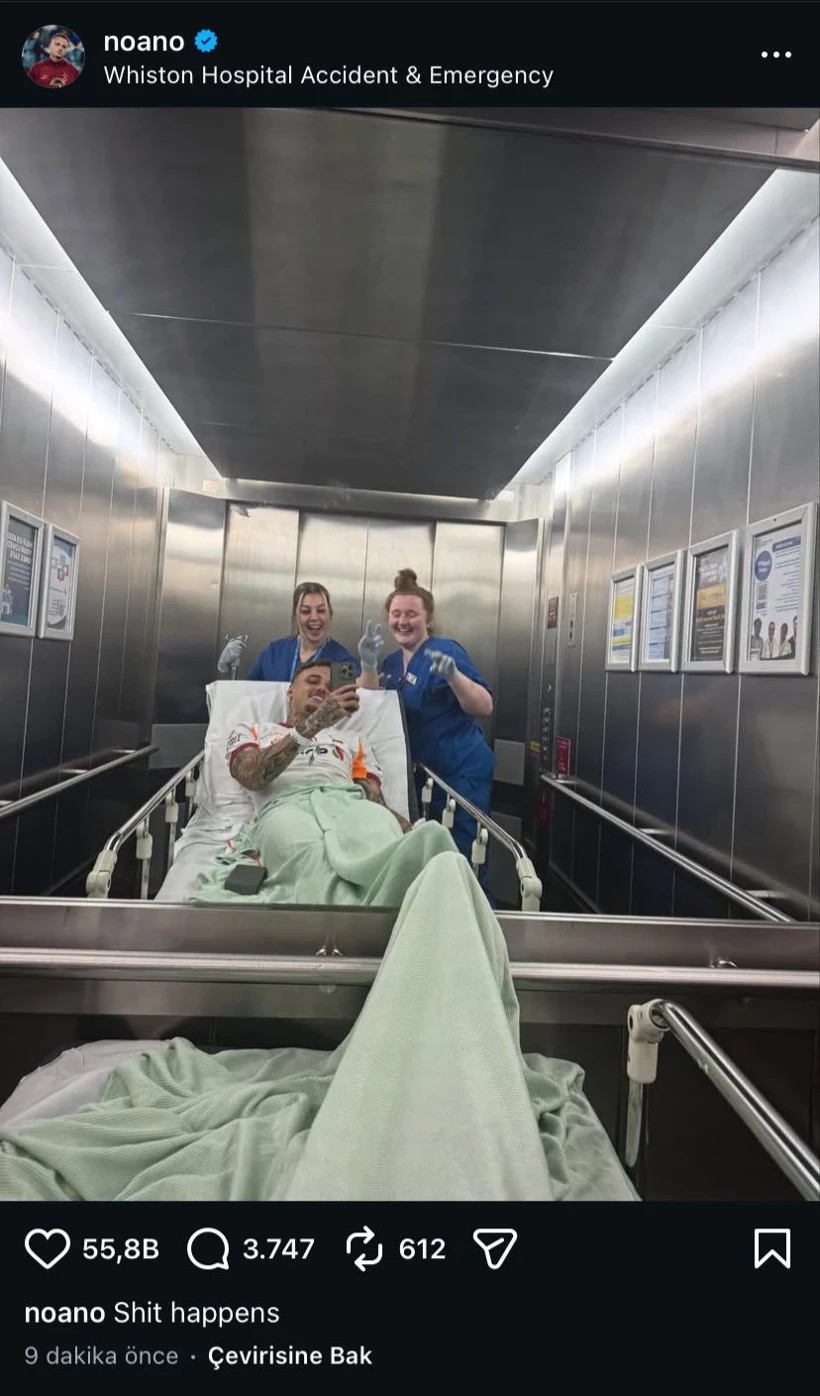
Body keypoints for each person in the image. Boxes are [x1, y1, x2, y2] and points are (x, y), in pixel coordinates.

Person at [358, 568, 494, 878]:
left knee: (463, 856)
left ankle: (475, 906)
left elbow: (484, 705)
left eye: (411, 614)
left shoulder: (445, 652)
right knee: (429, 856)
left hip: (459, 774)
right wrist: (368, 665)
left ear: (427, 619)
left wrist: (454, 677)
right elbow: (369, 701)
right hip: (421, 777)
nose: (402, 621)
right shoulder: (392, 663)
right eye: (396, 614)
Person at [227, 658, 410, 833]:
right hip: (284, 811)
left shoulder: (353, 740)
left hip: (344, 813)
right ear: (290, 690)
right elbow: (251, 776)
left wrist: (409, 832)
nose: (322, 688)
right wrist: (314, 724)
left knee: (420, 837)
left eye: (330, 688)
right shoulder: (253, 731)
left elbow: (374, 802)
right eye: (313, 681)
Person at [218, 581, 358, 681]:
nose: (314, 617)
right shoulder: (274, 653)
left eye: (321, 610)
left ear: (330, 615)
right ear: (295, 616)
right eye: (305, 611)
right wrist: (225, 669)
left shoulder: (341, 661)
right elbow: (246, 695)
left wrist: (368, 672)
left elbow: (355, 696)